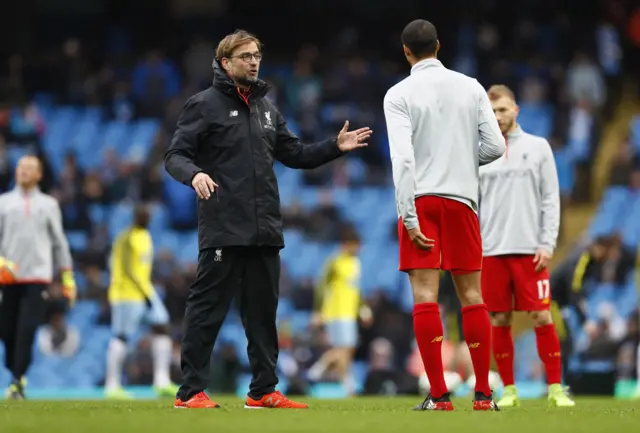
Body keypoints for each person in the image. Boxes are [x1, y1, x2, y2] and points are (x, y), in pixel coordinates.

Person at [164, 29, 371, 409]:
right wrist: (194, 174)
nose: (254, 61)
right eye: (245, 56)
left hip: (265, 229)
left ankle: (262, 390)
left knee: (263, 315)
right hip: (224, 226)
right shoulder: (203, 104)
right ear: (225, 62)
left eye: (257, 54)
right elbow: (175, 155)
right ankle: (190, 391)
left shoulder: (267, 109)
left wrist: (334, 147)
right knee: (207, 311)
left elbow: (295, 154)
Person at [383, 19, 505, 411]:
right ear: (439, 45)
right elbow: (497, 146)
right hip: (461, 200)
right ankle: (483, 395)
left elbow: (402, 158)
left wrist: (409, 215)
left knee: (425, 297)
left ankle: (439, 395)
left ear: (406, 52)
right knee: (472, 296)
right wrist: (463, 162)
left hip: (420, 200)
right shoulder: (470, 86)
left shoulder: (397, 94)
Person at [478, 84, 575, 407]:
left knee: (542, 317)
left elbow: (551, 198)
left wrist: (547, 242)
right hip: (491, 251)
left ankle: (556, 389)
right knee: (499, 321)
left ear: (516, 110)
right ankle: (509, 390)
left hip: (530, 250)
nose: (497, 116)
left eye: (503, 109)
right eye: (491, 112)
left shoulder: (537, 147)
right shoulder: (477, 152)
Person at [0, 155, 77, 399]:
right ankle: (15, 372)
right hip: (8, 279)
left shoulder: (48, 204)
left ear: (39, 175)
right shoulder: (3, 203)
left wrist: (67, 279)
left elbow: (59, 242)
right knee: (7, 330)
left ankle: (16, 381)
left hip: (37, 278)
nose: (23, 171)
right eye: (21, 167)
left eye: (29, 168)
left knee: (27, 328)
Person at [104, 205, 178, 399]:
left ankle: (161, 381)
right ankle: (112, 386)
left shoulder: (145, 236)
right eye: (143, 215)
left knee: (162, 327)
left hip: (144, 291)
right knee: (122, 337)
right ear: (136, 216)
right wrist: (144, 292)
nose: (146, 218)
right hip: (126, 293)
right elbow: (127, 267)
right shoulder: (126, 238)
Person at [308, 226, 367, 395]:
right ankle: (325, 375)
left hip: (350, 312)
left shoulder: (356, 263)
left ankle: (323, 374)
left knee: (346, 350)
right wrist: (317, 311)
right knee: (344, 349)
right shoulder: (334, 262)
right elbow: (321, 287)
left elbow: (357, 290)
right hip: (335, 311)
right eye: (355, 245)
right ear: (346, 245)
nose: (358, 249)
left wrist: (363, 309)